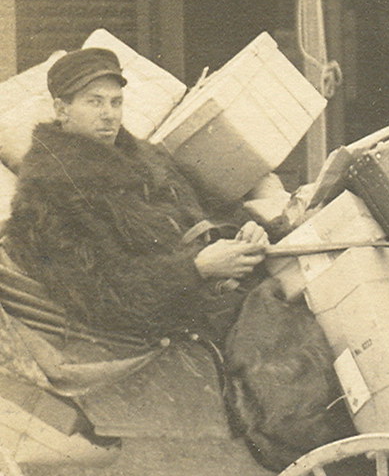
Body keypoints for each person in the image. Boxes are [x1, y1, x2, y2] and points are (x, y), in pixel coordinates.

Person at [3, 47, 269, 341]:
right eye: (94, 102)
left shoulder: (145, 155)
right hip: (167, 329)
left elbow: (211, 206)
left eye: (116, 102)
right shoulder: (48, 189)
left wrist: (247, 229)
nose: (108, 115)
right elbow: (100, 294)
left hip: (219, 291)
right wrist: (196, 269)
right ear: (61, 109)